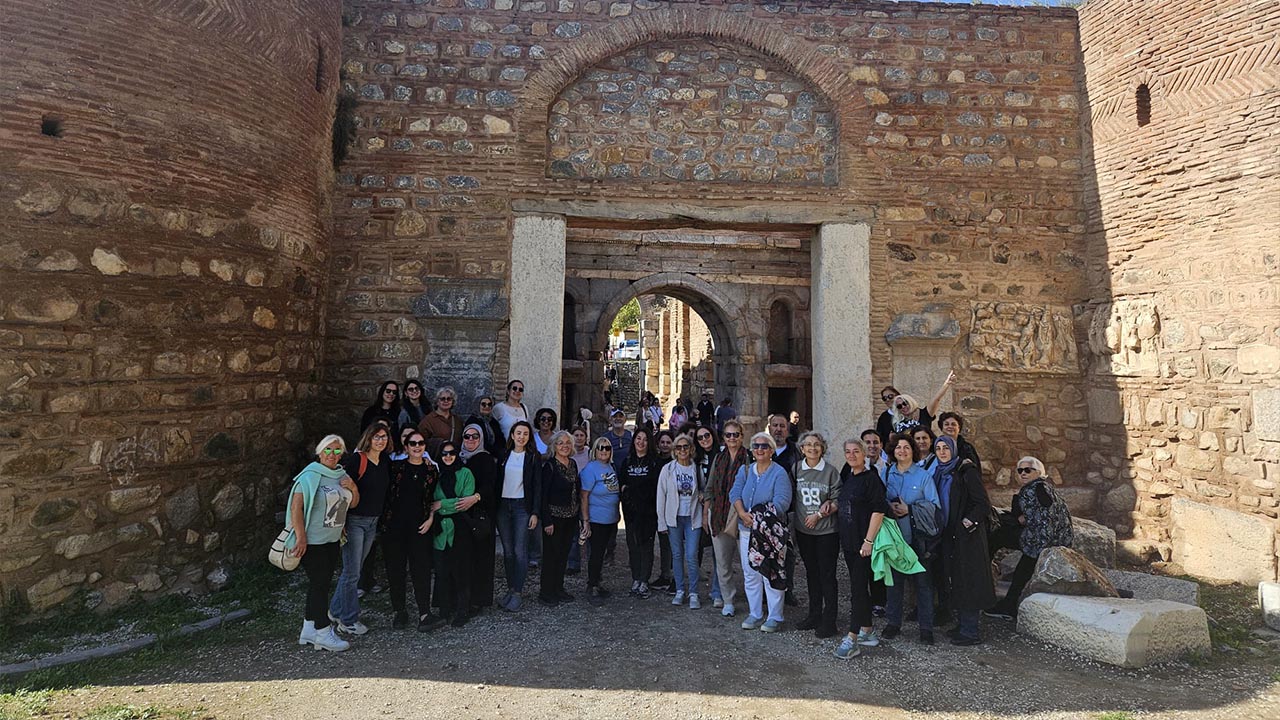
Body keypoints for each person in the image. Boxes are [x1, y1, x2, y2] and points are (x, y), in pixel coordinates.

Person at [290, 434, 359, 652]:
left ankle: (309, 629)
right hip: (313, 541)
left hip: (332, 540)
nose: (332, 454)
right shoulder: (309, 476)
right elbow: (296, 508)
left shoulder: (341, 475)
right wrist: (301, 537)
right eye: (328, 450)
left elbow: (353, 503)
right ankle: (323, 631)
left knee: (319, 585)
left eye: (337, 450)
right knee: (320, 585)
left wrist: (354, 488)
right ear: (320, 452)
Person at [984, 456, 1073, 621]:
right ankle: (1007, 603)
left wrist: (1019, 520)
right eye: (1020, 470)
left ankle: (998, 598)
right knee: (1021, 570)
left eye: (1028, 470)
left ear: (1039, 472)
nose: (1023, 473)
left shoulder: (1032, 489)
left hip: (1040, 540)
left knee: (999, 540)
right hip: (1054, 540)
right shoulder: (1046, 487)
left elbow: (1040, 518)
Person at [329, 423, 391, 635]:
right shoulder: (357, 460)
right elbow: (338, 482)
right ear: (368, 438)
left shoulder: (384, 461)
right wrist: (341, 522)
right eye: (376, 437)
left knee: (353, 570)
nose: (380, 440)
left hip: (372, 522)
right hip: (354, 521)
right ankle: (348, 620)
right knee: (352, 573)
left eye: (384, 437)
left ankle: (336, 610)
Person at [933, 435, 996, 646]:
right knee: (956, 580)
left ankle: (970, 631)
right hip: (949, 535)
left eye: (946, 448)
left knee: (969, 581)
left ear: (953, 450)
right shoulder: (941, 473)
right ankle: (962, 625)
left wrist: (965, 524)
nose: (942, 452)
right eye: (938, 448)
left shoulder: (966, 472)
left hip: (967, 538)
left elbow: (982, 504)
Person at [381, 431, 446, 632]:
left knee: (422, 570)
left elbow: (434, 499)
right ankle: (399, 611)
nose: (417, 446)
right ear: (406, 446)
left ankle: (424, 613)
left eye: (420, 443)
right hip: (394, 527)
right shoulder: (395, 467)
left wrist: (431, 519)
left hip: (420, 526)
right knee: (396, 570)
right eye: (413, 443)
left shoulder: (431, 470)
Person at [729, 431, 793, 633]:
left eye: (764, 446)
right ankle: (755, 613)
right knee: (751, 574)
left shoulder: (779, 473)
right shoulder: (745, 470)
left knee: (770, 573)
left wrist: (757, 517)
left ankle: (775, 615)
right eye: (755, 446)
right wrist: (741, 513)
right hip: (746, 530)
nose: (759, 449)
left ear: (772, 450)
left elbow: (782, 501)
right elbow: (735, 493)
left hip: (769, 534)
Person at [832, 439, 888, 659]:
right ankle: (867, 630)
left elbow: (879, 510)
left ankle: (852, 638)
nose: (852, 455)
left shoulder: (871, 480)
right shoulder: (849, 476)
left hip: (863, 545)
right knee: (859, 588)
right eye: (848, 451)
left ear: (864, 454)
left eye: (856, 451)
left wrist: (869, 541)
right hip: (849, 543)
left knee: (857, 590)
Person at [882, 434, 940, 644]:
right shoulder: (886, 473)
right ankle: (893, 623)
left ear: (912, 451)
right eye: (898, 447)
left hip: (917, 539)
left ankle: (926, 629)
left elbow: (934, 506)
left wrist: (910, 509)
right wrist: (889, 507)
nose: (902, 451)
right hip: (894, 539)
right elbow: (878, 499)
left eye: (906, 447)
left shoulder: (924, 476)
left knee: (923, 585)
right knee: (894, 583)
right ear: (893, 451)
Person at [792, 431, 842, 638]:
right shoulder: (796, 469)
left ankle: (830, 621)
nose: (812, 448)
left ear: (823, 448)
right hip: (804, 531)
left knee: (827, 575)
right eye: (808, 445)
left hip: (826, 531)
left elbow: (837, 499)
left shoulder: (830, 471)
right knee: (811, 573)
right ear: (802, 448)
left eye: (817, 445)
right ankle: (814, 615)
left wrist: (820, 514)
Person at [432, 441, 480, 626]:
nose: (448, 457)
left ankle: (462, 611)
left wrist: (442, 505)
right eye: (444, 454)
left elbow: (464, 502)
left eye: (451, 453)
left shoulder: (466, 473)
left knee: (462, 572)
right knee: (442, 572)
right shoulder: (436, 474)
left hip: (460, 529)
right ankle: (444, 610)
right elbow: (430, 500)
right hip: (440, 530)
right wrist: (442, 505)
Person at [496, 421, 541, 612]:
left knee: (519, 550)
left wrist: (535, 512)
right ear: (512, 435)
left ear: (529, 437)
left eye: (525, 433)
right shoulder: (503, 455)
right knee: (508, 551)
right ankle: (511, 588)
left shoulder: (532, 457)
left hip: (522, 507)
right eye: (518, 433)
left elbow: (538, 487)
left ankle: (517, 593)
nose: (521, 436)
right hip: (503, 506)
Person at [705, 419, 748, 617]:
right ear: (723, 437)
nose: (732, 438)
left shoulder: (749, 458)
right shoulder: (719, 459)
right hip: (720, 514)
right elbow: (710, 486)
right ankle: (728, 599)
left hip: (741, 514)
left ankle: (754, 601)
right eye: (728, 435)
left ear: (742, 436)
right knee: (722, 562)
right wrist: (707, 511)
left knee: (748, 562)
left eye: (736, 435)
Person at [657, 433, 703, 609]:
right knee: (676, 555)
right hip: (673, 517)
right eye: (678, 447)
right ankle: (679, 590)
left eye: (685, 446)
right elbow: (661, 496)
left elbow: (704, 490)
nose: (682, 450)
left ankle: (693, 592)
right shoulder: (667, 470)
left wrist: (701, 496)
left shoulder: (696, 469)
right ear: (674, 451)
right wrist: (661, 522)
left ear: (691, 449)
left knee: (691, 555)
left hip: (693, 517)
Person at [538, 430, 581, 606]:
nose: (565, 446)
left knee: (563, 554)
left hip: (570, 517)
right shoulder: (549, 466)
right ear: (554, 446)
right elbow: (543, 496)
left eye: (567, 443)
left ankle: (558, 588)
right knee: (551, 556)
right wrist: (546, 521)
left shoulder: (573, 464)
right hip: (554, 518)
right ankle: (546, 592)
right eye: (560, 443)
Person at [461, 423, 500, 613]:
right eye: (467, 437)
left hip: (481, 513)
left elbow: (490, 485)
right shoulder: (457, 458)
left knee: (482, 558)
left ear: (481, 439)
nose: (470, 440)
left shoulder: (485, 459)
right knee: (464, 558)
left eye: (475, 436)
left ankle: (479, 600)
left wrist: (475, 498)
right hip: (462, 514)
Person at [579, 437, 621, 605]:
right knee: (595, 553)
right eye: (600, 447)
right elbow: (584, 496)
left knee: (603, 552)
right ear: (595, 450)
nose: (604, 450)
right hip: (596, 519)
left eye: (607, 447)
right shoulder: (591, 469)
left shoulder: (611, 467)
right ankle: (592, 585)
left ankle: (597, 582)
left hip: (610, 519)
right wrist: (586, 520)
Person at [620, 427, 661, 598]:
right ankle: (635, 578)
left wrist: (634, 490)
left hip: (648, 511)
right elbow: (622, 484)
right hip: (631, 511)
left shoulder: (654, 462)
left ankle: (644, 580)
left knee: (646, 545)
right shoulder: (628, 461)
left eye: (644, 439)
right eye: (638, 439)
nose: (641, 442)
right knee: (632, 545)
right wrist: (631, 492)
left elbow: (654, 486)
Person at [767, 413, 800, 606]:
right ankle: (767, 590)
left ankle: (787, 589)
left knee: (788, 553)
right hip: (765, 512)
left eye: (782, 426)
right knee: (765, 550)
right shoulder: (761, 449)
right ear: (769, 428)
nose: (778, 429)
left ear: (787, 430)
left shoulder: (796, 453)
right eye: (775, 426)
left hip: (789, 511)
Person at [693, 425, 722, 608]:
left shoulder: (722, 454)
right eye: (700, 438)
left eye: (706, 435)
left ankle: (717, 591)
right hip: (700, 506)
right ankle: (694, 590)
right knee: (695, 549)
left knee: (719, 553)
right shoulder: (696, 459)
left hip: (719, 507)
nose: (704, 439)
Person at [889, 370, 955, 437]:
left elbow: (936, 399)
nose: (903, 407)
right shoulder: (899, 423)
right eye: (899, 406)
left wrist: (947, 384)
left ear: (910, 402)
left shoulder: (924, 414)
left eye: (905, 403)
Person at [419, 386, 463, 457]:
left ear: (452, 402)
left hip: (454, 458)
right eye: (442, 399)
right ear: (437, 401)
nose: (446, 401)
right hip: (436, 459)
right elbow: (421, 442)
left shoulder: (457, 420)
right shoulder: (428, 420)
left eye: (449, 399)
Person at [465, 394, 505, 459]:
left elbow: (500, 438)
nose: (487, 406)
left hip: (495, 456)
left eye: (489, 404)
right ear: (478, 406)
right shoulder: (472, 421)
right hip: (477, 456)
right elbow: (477, 441)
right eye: (483, 404)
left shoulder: (493, 421)